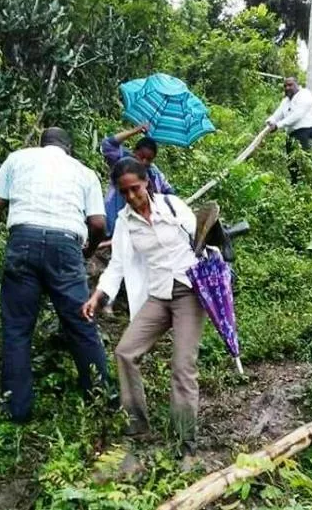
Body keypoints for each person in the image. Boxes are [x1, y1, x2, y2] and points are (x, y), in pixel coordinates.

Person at [82, 157, 205, 462]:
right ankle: (137, 427)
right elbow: (118, 265)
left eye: (135, 189)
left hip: (189, 292)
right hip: (158, 293)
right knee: (125, 352)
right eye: (124, 192)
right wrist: (98, 295)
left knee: (182, 367)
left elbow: (204, 238)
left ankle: (185, 444)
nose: (132, 197)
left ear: (146, 182)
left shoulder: (174, 207)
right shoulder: (125, 221)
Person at [0, 127, 108, 423]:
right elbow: (98, 223)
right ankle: (100, 396)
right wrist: (87, 251)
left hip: (22, 239)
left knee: (17, 329)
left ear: (41, 144)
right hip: (65, 245)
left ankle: (16, 409)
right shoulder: (84, 172)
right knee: (80, 322)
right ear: (68, 148)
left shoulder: (17, 159)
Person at [101, 125, 174, 238]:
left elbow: (170, 194)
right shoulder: (122, 161)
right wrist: (137, 130)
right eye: (141, 156)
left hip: (139, 231)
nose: (144, 161)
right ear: (135, 152)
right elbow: (109, 143)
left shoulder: (154, 174)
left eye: (149, 159)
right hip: (113, 223)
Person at [266, 77, 312, 182]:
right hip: (292, 134)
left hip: (307, 132)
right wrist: (270, 121)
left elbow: (297, 115)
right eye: (285, 86)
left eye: (290, 85)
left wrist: (278, 126)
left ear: (297, 85)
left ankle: (308, 186)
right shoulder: (285, 101)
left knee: (307, 162)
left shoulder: (305, 95)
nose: (287, 88)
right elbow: (277, 115)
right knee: (292, 162)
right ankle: (295, 187)